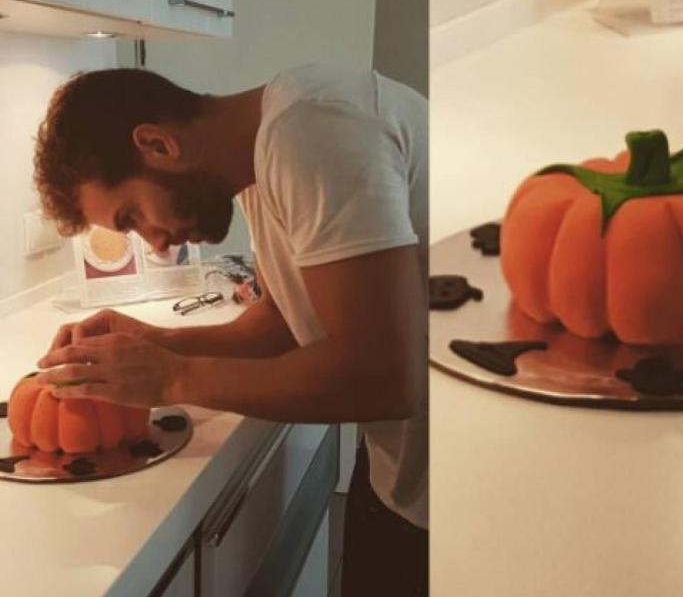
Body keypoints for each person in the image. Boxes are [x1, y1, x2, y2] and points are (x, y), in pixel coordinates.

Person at [32, 63, 428, 596]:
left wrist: (173, 379)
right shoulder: (261, 161)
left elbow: (385, 377)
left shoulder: (314, 131)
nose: (156, 245)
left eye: (131, 217)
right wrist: (155, 343)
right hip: (405, 473)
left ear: (157, 144)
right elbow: (282, 322)